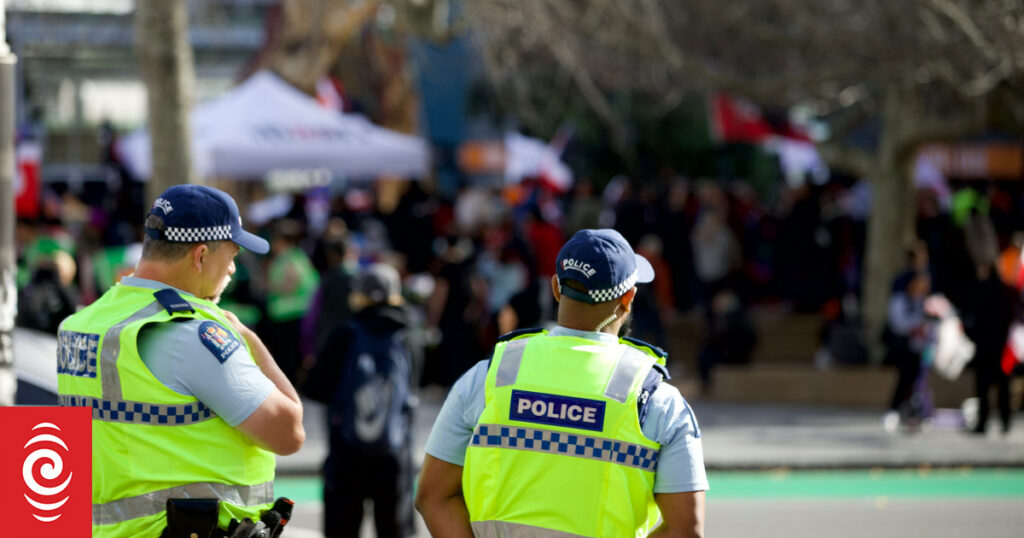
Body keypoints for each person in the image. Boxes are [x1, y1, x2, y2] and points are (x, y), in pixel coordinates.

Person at [415, 229, 708, 537]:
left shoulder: (489, 376)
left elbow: (433, 497)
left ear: (556, 287)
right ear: (628, 298)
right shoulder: (657, 398)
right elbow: (686, 529)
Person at [56, 185, 305, 537]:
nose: (233, 269)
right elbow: (290, 433)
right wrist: (250, 339)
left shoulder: (81, 325)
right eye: (232, 255)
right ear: (201, 255)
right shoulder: (191, 333)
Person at [303, 263, 419, 537]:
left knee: (343, 528)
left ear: (359, 296)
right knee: (395, 529)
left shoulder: (345, 334)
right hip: (395, 451)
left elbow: (316, 388)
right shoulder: (408, 336)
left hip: (347, 451)